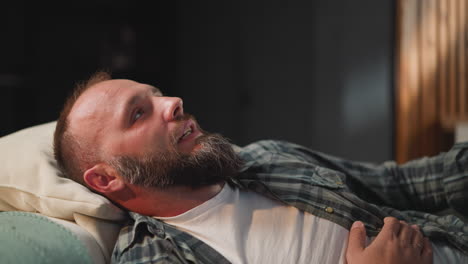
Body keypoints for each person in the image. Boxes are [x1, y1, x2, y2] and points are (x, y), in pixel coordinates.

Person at [53, 71, 467, 264]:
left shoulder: (266, 158)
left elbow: (398, 183)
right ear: (107, 178)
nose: (172, 102)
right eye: (139, 113)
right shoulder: (152, 257)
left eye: (157, 94)